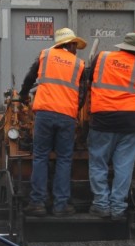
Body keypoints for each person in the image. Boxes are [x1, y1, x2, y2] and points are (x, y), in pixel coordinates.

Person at [86, 32, 135, 222]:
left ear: (121, 47)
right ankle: (118, 208)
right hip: (129, 123)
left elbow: (87, 76)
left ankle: (101, 205)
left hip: (102, 120)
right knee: (123, 166)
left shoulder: (102, 57)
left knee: (98, 163)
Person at [18, 28, 87, 217]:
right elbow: (82, 94)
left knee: (40, 156)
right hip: (67, 117)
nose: (76, 49)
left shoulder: (45, 55)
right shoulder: (79, 64)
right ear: (71, 44)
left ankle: (38, 203)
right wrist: (74, 110)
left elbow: (30, 78)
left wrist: (24, 96)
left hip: (44, 113)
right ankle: (61, 205)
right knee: (64, 159)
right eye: (75, 46)